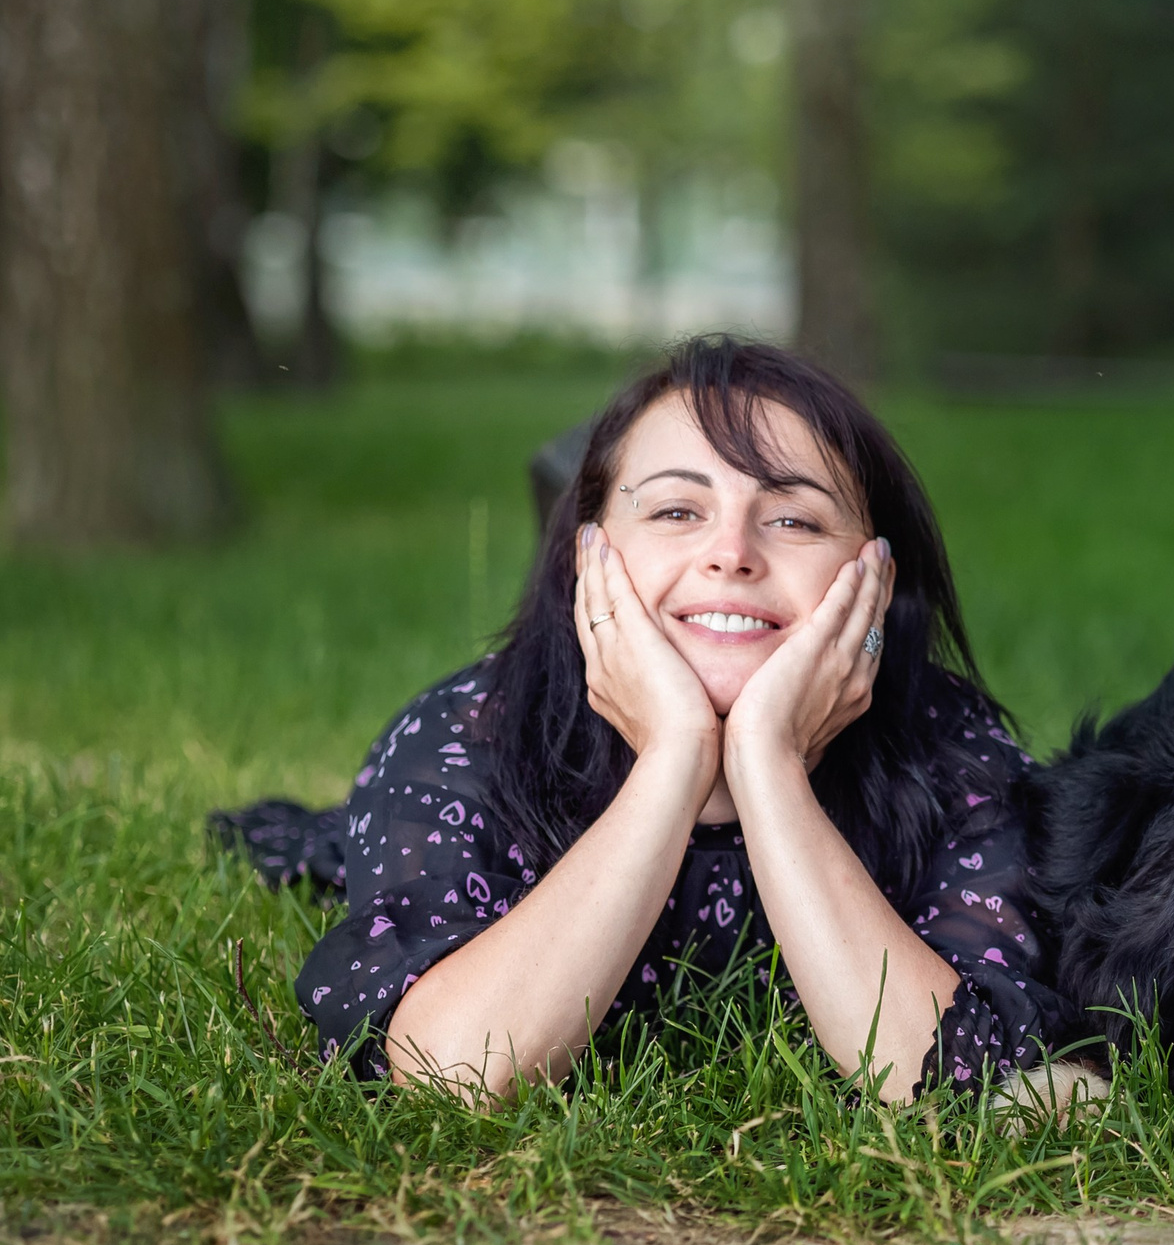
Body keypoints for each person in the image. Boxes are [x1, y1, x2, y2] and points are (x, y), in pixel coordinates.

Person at [215, 336, 1059, 1100]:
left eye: (795, 518)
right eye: (674, 511)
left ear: (875, 572)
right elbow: (451, 1071)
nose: (731, 552)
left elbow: (951, 1079)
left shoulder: (956, 757)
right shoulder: (468, 734)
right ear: (592, 555)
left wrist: (767, 766)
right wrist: (677, 758)